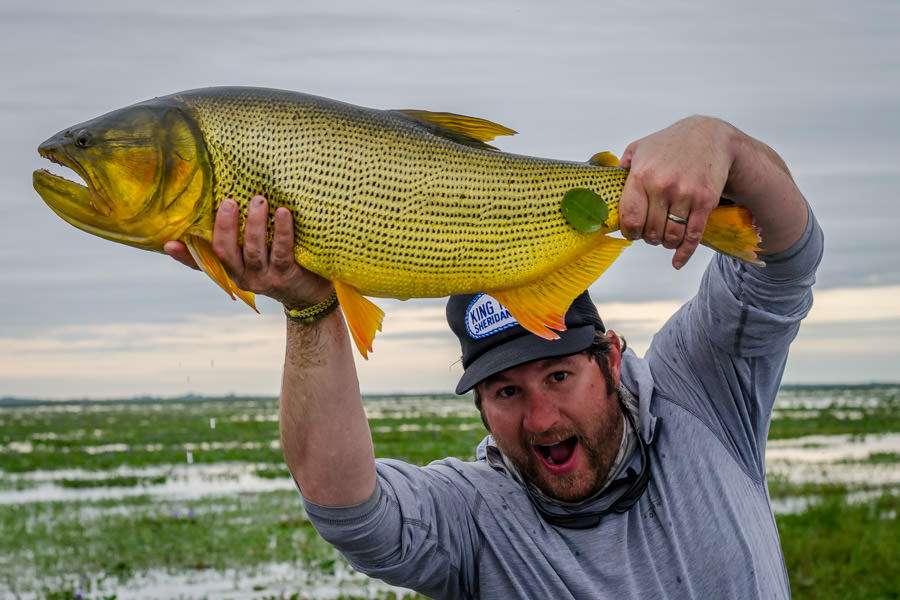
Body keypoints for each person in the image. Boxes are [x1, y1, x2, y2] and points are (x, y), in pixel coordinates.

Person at [165, 116, 821, 599]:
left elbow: (783, 261)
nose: (540, 418)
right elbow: (347, 509)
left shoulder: (699, 399)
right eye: (505, 392)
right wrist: (309, 309)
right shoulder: (477, 514)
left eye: (559, 374)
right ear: (478, 404)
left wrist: (725, 146)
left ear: (613, 358)